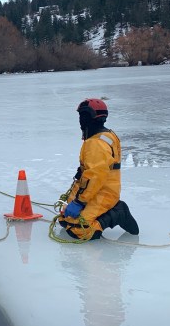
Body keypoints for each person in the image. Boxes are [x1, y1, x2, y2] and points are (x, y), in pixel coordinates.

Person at [59, 98, 139, 240]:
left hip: (103, 192)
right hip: (96, 188)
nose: (81, 120)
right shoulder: (105, 136)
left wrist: (79, 202)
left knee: (80, 230)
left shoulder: (96, 143)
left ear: (91, 118)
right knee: (65, 220)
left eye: (83, 116)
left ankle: (119, 212)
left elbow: (95, 176)